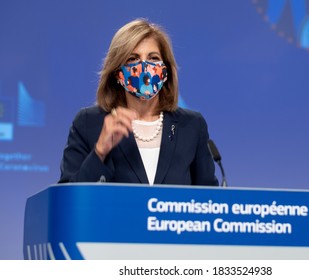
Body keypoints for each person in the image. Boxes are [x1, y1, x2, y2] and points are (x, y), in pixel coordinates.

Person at [59, 18, 218, 186]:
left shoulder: (192, 126)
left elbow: (209, 201)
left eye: (153, 57)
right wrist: (99, 152)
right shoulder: (88, 123)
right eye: (133, 59)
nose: (144, 67)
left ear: (165, 71)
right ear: (117, 73)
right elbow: (68, 199)